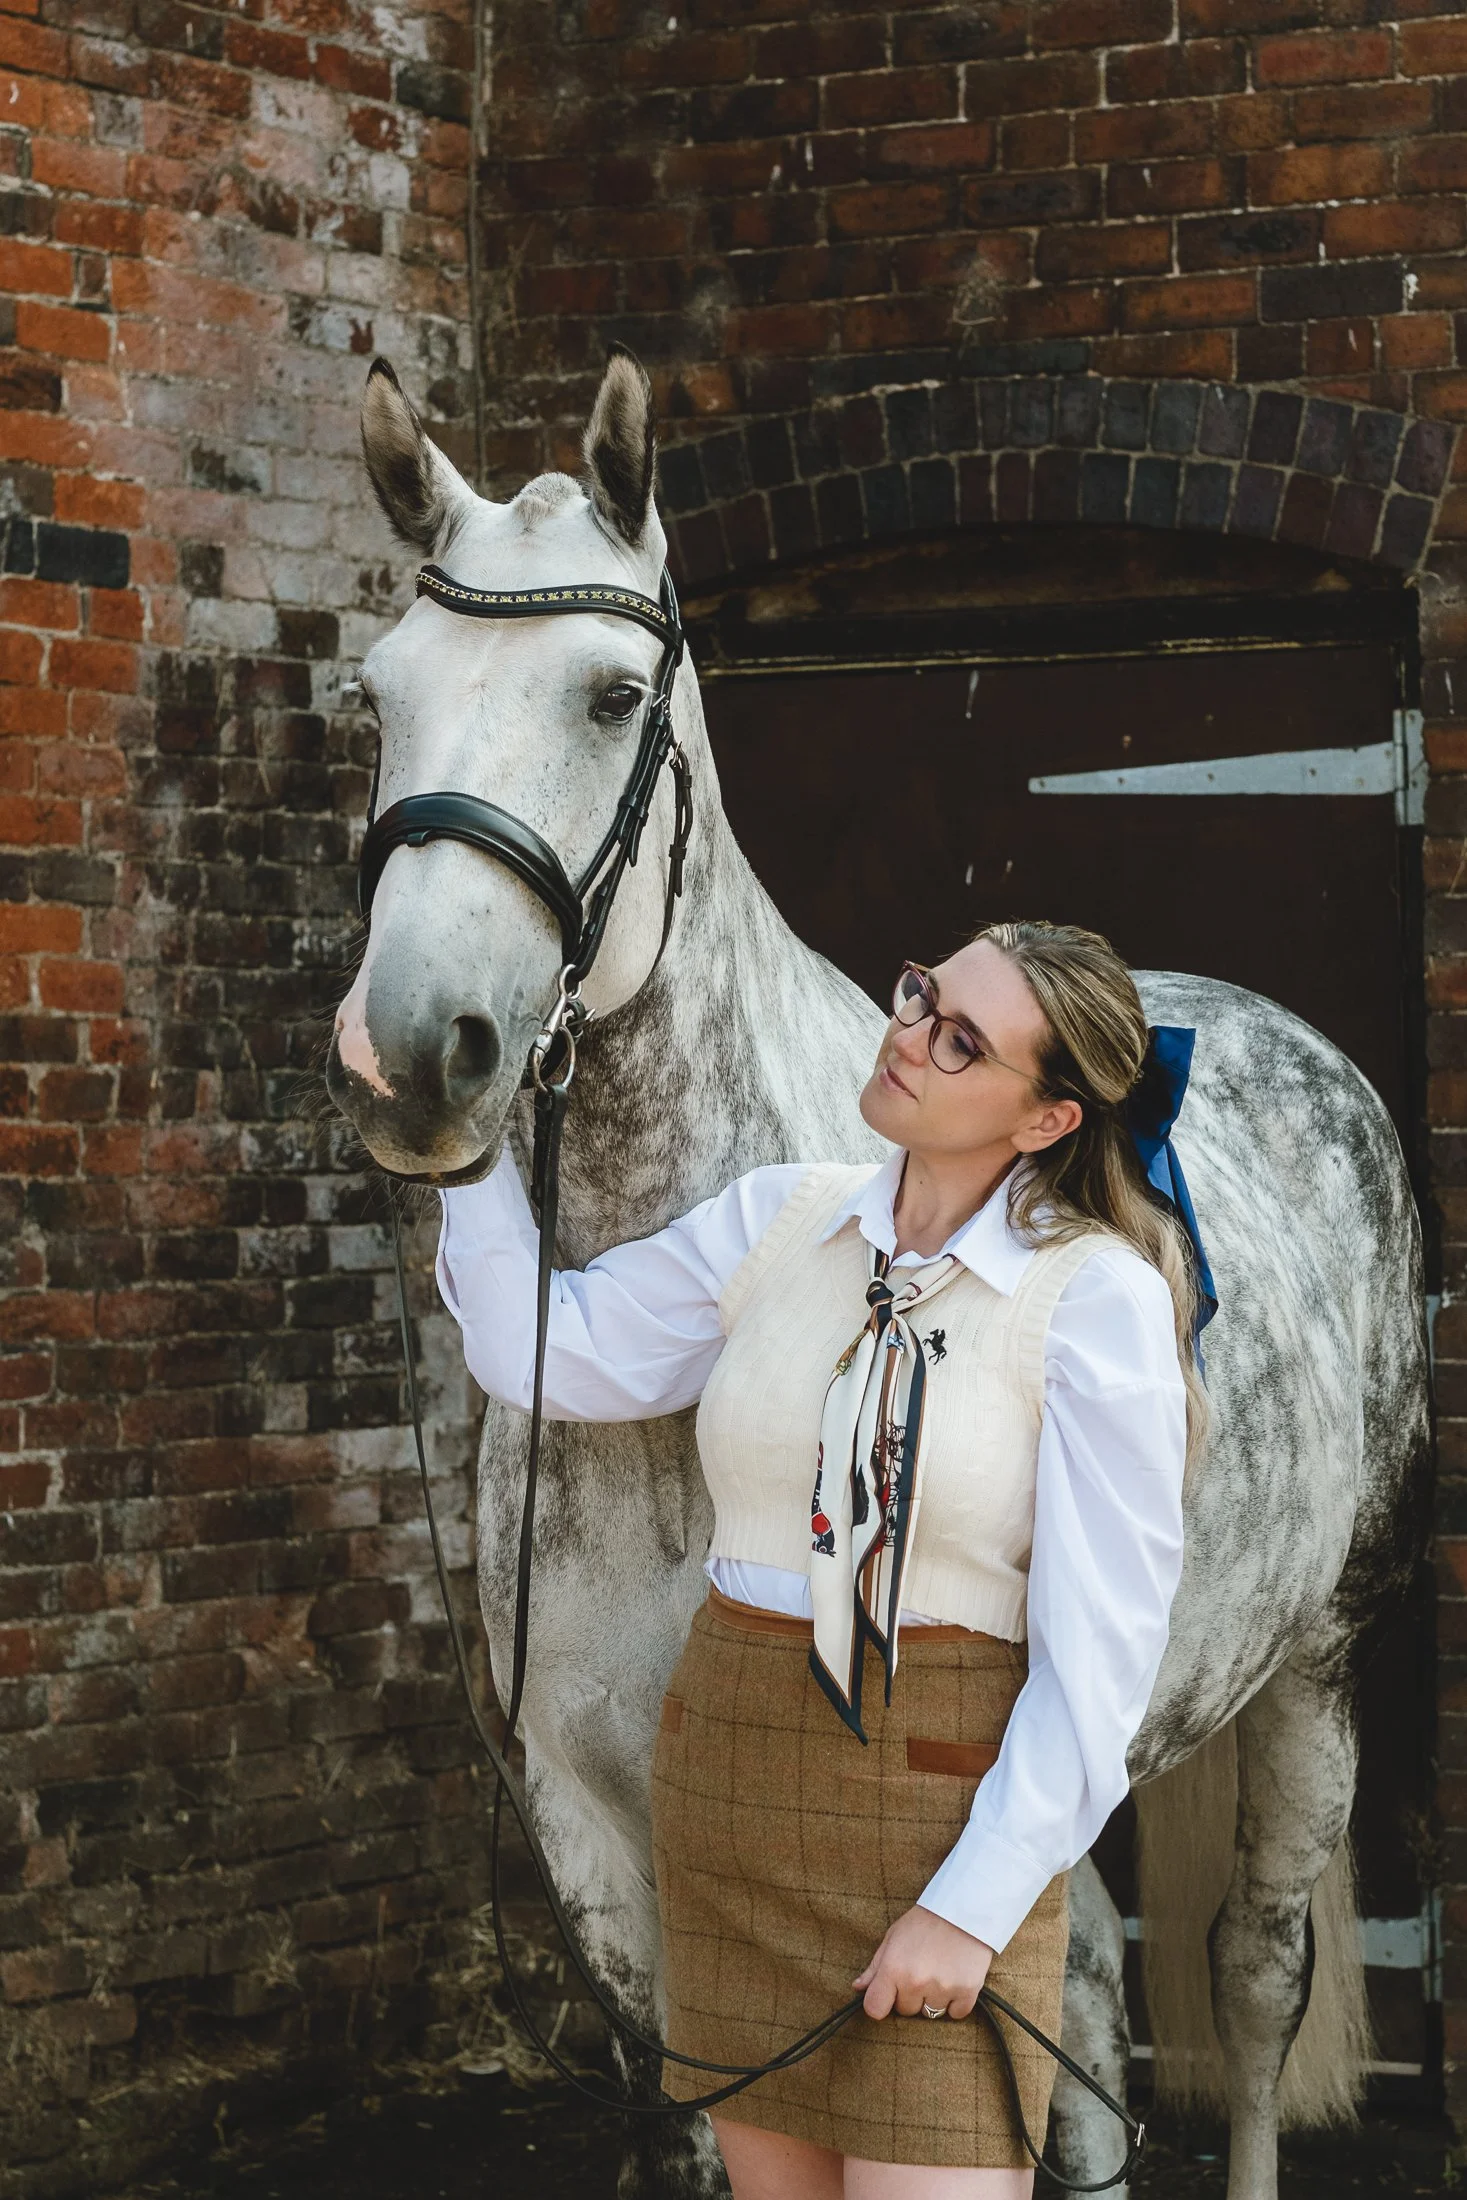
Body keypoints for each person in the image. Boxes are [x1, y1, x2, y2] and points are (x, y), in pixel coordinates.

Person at [436, 920, 1203, 2200]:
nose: (910, 1036)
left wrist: (970, 1906)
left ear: (1047, 1118)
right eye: (922, 996)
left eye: (962, 1041)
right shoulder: (781, 1218)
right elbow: (545, 1348)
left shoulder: (1091, 1298)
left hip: (939, 1833)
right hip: (729, 1812)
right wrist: (456, 1148)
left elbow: (1101, 1659)